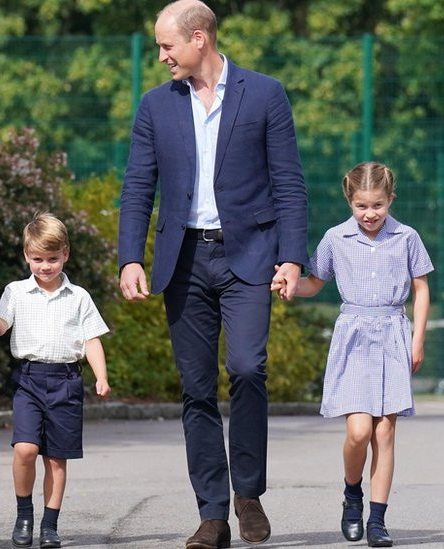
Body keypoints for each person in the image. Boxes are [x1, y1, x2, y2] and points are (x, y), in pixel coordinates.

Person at [117, 1, 309, 547]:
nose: (161, 57)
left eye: (167, 46)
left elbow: (289, 183)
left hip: (248, 256)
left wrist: (292, 258)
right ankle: (213, 514)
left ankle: (248, 493)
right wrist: (130, 257)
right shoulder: (156, 106)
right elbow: (137, 187)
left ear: (199, 39)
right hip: (183, 261)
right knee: (197, 389)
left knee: (248, 369)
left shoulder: (265, 94)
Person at [271, 162, 432, 547]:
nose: (370, 213)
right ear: (350, 201)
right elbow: (315, 282)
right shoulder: (335, 238)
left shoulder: (407, 237)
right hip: (354, 337)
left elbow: (421, 289)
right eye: (361, 206)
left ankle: (377, 520)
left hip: (393, 334)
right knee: (359, 432)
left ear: (390, 199)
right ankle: (352, 493)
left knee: (385, 431)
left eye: (377, 204)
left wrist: (418, 340)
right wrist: (289, 284)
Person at [0, 212, 110, 549]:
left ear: (65, 254)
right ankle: (25, 514)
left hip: (66, 380)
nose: (45, 266)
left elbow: (92, 339)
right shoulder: (16, 292)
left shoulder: (78, 296)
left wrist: (101, 377)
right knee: (25, 448)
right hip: (29, 379)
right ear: (27, 256)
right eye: (38, 259)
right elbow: (0, 327)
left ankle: (49, 526)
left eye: (52, 258)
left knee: (55, 457)